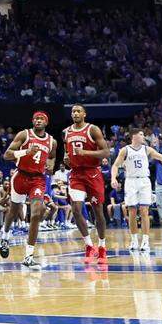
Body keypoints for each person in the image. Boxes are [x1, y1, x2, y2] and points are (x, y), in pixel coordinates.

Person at [111, 128, 162, 253]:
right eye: (141, 134)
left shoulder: (147, 149)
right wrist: (114, 178)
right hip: (130, 181)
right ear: (134, 136)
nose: (144, 136)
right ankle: (134, 240)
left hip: (144, 181)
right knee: (132, 212)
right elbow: (115, 165)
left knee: (144, 210)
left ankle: (145, 241)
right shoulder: (125, 150)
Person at [0, 112, 55, 269]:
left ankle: (29, 256)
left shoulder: (52, 141)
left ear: (46, 122)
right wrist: (26, 152)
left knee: (37, 212)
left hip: (37, 179)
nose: (38, 120)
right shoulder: (24, 134)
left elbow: (51, 157)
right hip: (20, 176)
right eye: (36, 118)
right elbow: (7, 155)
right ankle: (5, 236)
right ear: (33, 121)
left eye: (41, 119)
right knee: (13, 210)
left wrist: (50, 165)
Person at [63, 104, 111, 263]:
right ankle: (89, 246)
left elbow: (105, 152)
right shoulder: (67, 132)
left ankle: (102, 246)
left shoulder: (93, 129)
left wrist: (86, 153)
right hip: (76, 174)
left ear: (84, 114)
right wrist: (66, 159)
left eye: (78, 111)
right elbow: (67, 151)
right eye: (73, 111)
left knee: (98, 212)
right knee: (76, 209)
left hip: (92, 173)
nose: (75, 113)